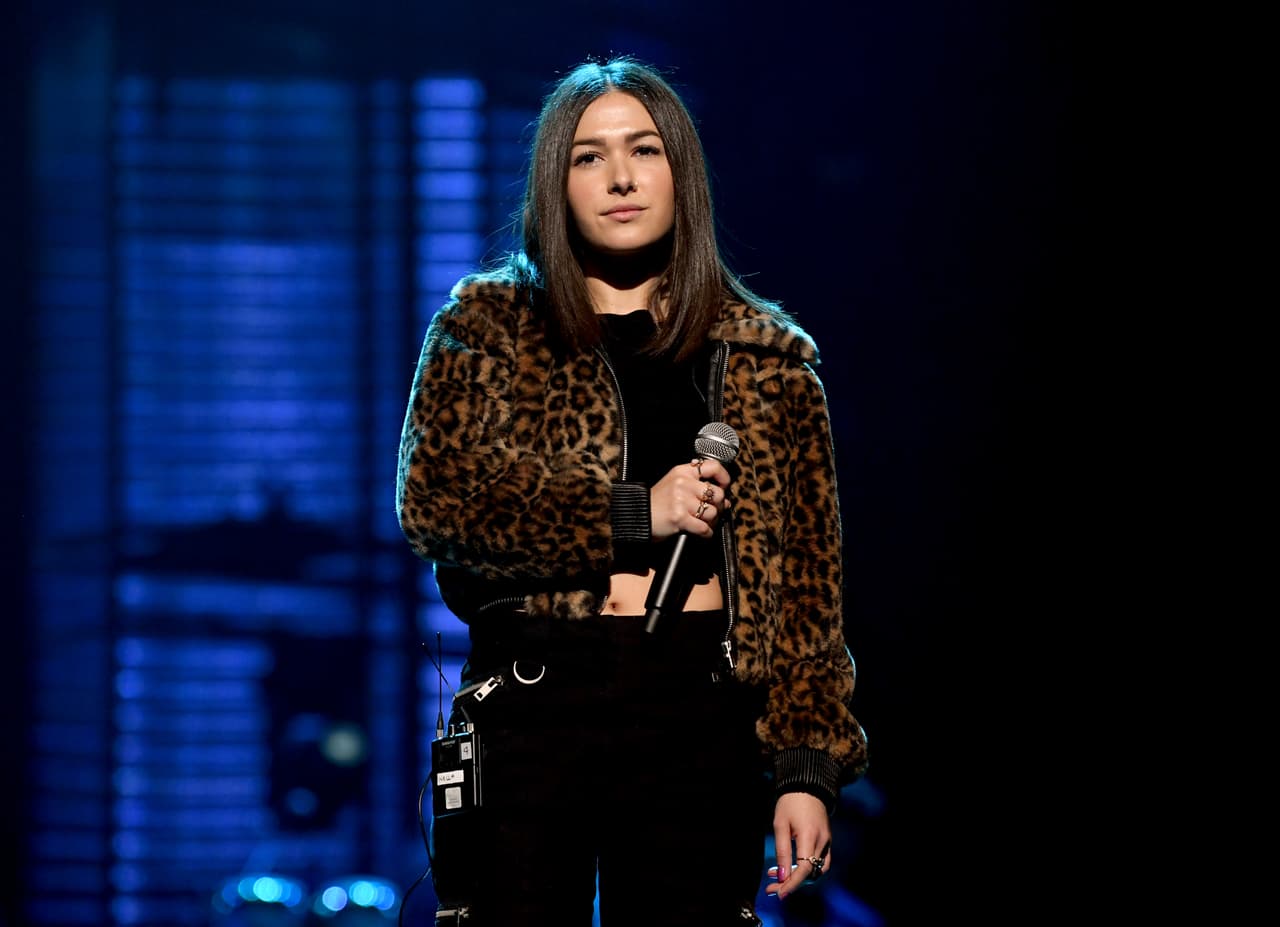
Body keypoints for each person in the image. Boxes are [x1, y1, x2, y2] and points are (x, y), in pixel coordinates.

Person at [396, 56, 868, 927]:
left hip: (698, 706)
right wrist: (631, 513)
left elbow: (808, 586)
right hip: (536, 693)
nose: (619, 177)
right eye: (588, 156)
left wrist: (807, 766)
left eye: (644, 150)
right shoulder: (486, 328)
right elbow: (440, 502)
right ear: (555, 181)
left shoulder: (767, 359)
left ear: (679, 171)